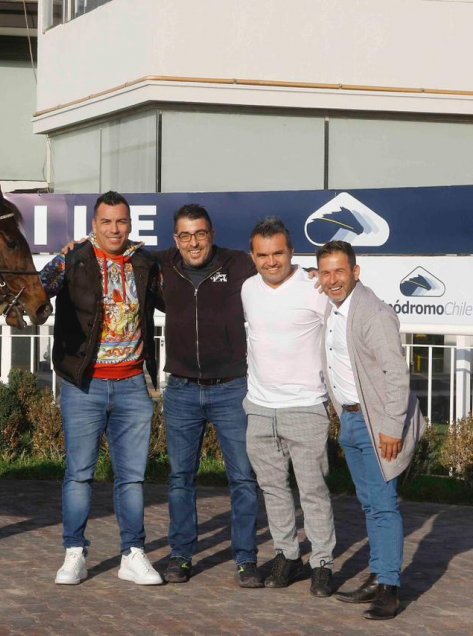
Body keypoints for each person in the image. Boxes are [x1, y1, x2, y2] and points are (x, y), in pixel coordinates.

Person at [41, 191, 165, 586]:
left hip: (132, 385)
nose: (115, 229)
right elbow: (38, 290)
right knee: (79, 474)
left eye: (122, 222)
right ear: (94, 225)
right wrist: (59, 259)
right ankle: (74, 552)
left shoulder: (146, 262)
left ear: (130, 224)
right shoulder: (73, 259)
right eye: (107, 222)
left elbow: (177, 298)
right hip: (85, 385)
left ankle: (133, 554)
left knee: (132, 477)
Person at [317, 240, 427, 620]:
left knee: (383, 506)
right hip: (350, 419)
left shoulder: (372, 312)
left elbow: (396, 374)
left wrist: (392, 427)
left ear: (355, 272)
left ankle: (390, 590)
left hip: (377, 422)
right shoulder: (332, 310)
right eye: (326, 272)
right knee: (369, 505)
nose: (332, 279)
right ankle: (379, 576)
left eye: (339, 271)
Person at [157, 204, 262, 587]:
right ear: (175, 240)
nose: (193, 242)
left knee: (243, 478)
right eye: (185, 235)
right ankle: (181, 555)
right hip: (182, 390)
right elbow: (119, 253)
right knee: (180, 478)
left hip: (232, 388)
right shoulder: (163, 265)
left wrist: (310, 276)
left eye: (200, 233)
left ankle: (246, 559)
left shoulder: (238, 264)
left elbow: (277, 272)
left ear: (212, 233)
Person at [241, 217, 335, 597]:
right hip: (260, 408)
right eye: (263, 255)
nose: (271, 261)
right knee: (273, 488)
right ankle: (287, 554)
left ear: (291, 252)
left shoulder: (315, 288)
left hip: (306, 407)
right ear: (253, 256)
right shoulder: (247, 289)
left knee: (313, 490)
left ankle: (323, 562)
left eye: (278, 253)